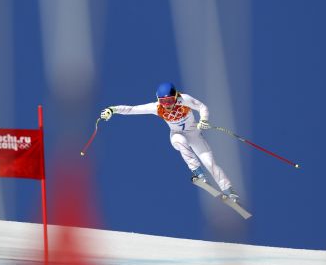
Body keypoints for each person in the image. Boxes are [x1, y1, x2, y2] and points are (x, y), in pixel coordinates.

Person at [99, 82, 240, 202]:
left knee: (211, 164)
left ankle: (229, 190)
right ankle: (197, 171)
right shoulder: (157, 108)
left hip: (195, 135)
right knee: (179, 141)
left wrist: (203, 120)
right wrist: (112, 110)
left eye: (170, 101)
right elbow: (132, 109)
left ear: (176, 96)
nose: (167, 105)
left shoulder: (184, 99)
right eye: (163, 102)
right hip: (177, 134)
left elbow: (202, 107)